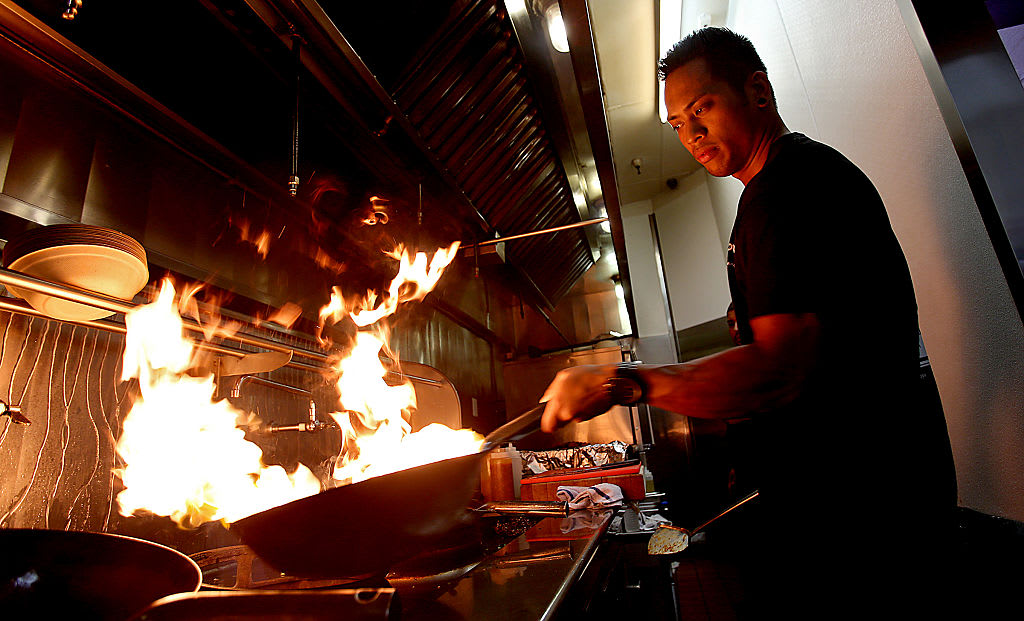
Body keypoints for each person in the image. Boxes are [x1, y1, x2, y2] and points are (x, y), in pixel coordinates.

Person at [540, 27, 956, 617]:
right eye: (679, 123)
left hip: (866, 512)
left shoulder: (788, 189)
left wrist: (623, 382)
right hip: (856, 500)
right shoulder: (773, 193)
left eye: (702, 107)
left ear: (757, 91)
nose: (691, 134)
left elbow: (779, 370)